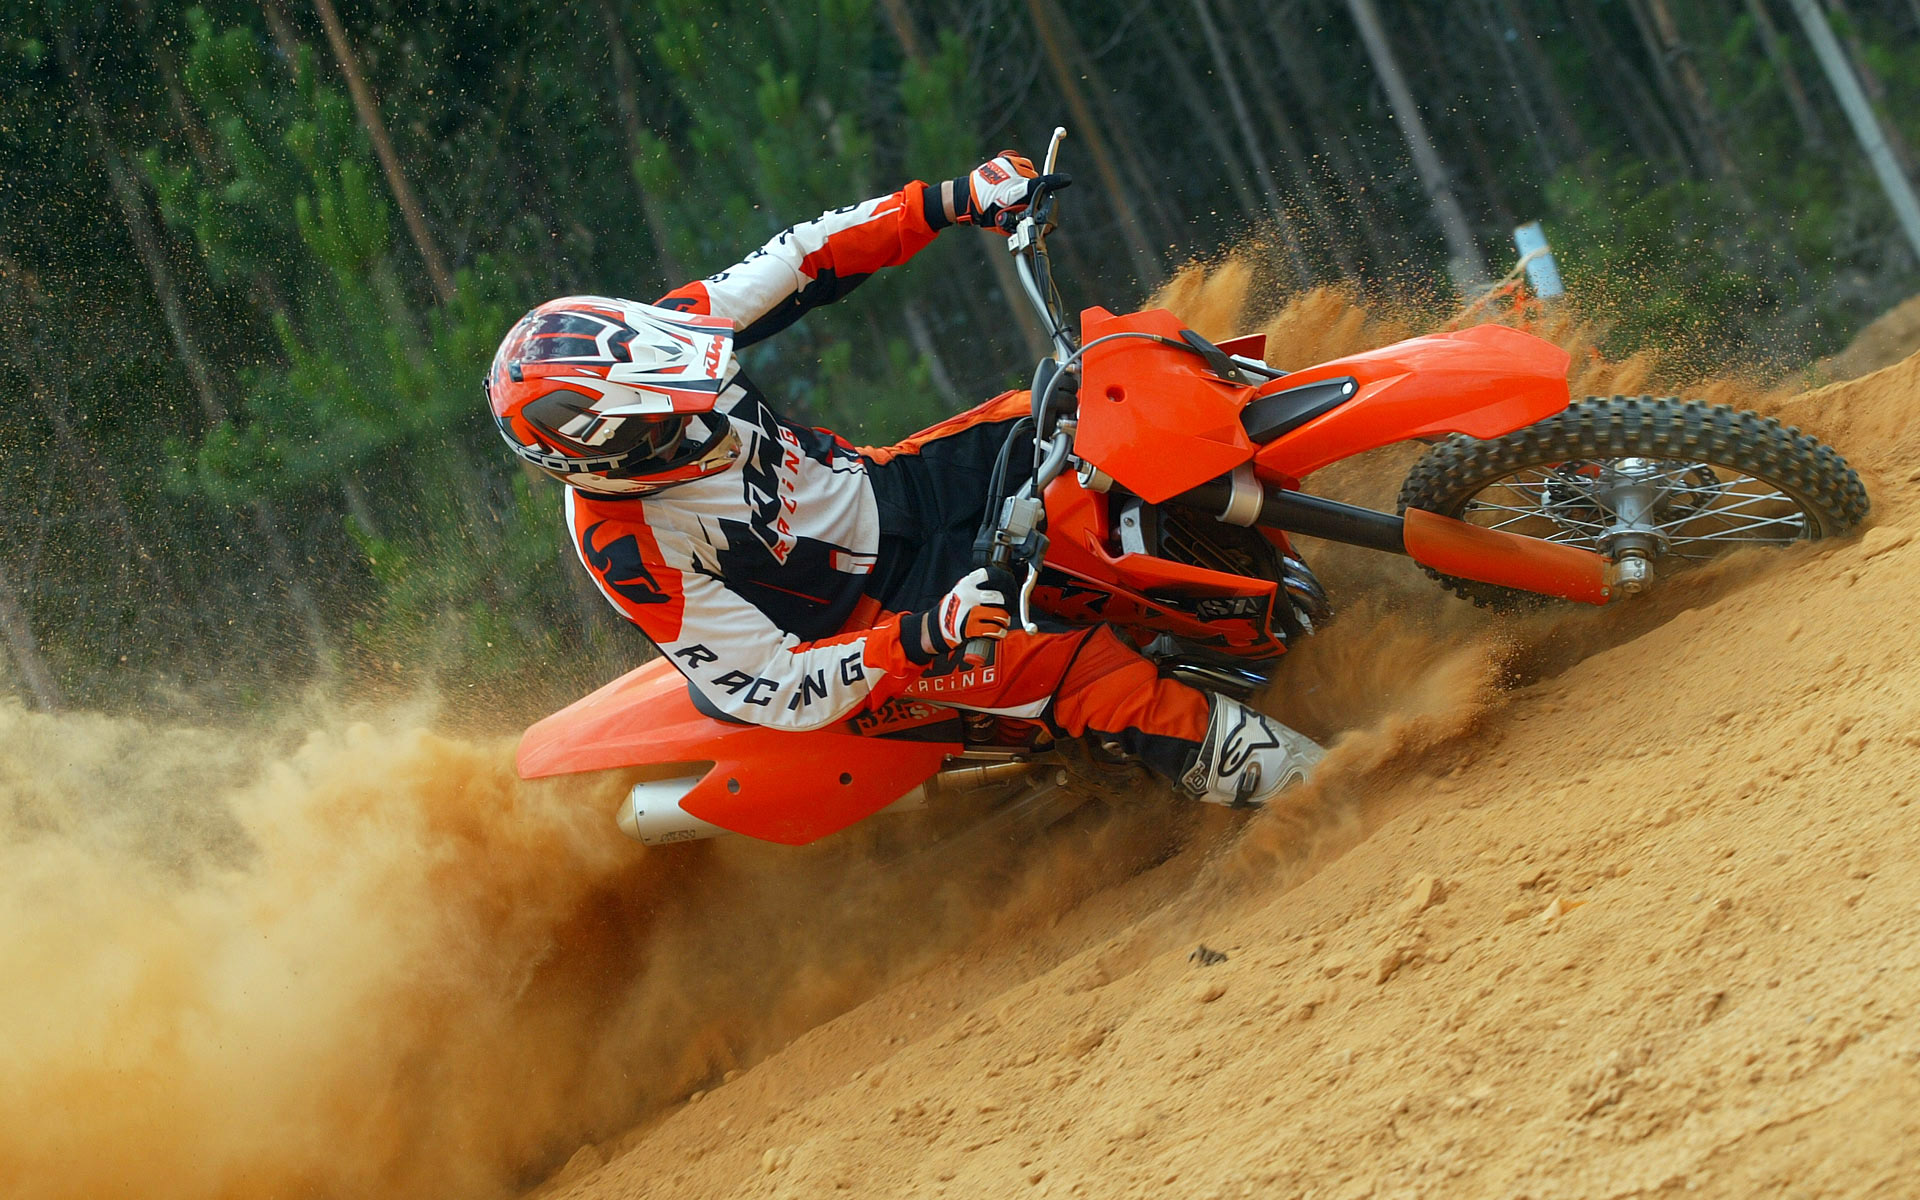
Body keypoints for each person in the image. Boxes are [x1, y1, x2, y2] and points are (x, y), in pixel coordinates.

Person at [485, 153, 1323, 806]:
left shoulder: (678, 332)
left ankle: (1270, 568)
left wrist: (957, 199)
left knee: (1091, 403)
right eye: (667, 421)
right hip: (875, 626)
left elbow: (807, 257)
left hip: (892, 487)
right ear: (603, 461)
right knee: (1077, 668)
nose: (699, 413)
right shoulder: (626, 547)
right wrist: (924, 634)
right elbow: (773, 684)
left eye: (687, 387)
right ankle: (1320, 789)